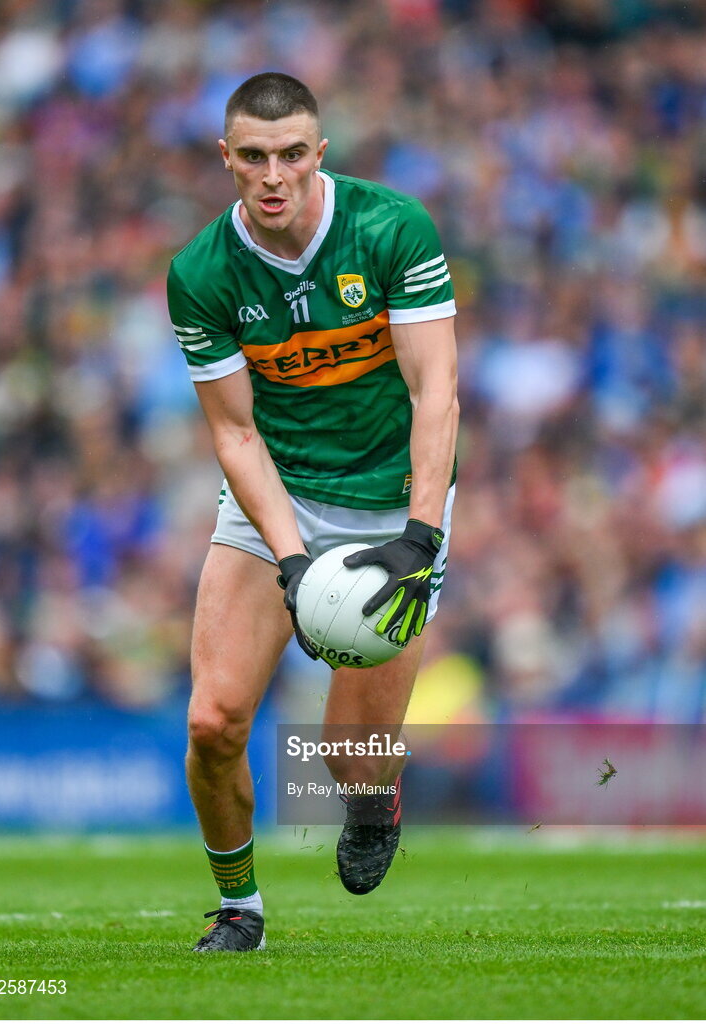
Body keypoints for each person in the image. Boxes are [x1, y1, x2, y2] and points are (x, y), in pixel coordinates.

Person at [167, 72, 459, 953]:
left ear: (318, 153)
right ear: (226, 158)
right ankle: (239, 909)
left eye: (291, 154)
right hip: (276, 498)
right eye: (253, 157)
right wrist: (292, 561)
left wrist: (420, 535)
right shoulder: (200, 274)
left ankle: (373, 801)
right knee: (213, 720)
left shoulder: (391, 228)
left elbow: (434, 388)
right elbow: (236, 436)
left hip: (389, 508)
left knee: (347, 760)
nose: (273, 174)